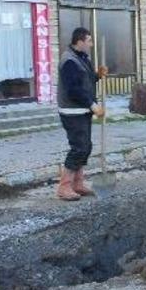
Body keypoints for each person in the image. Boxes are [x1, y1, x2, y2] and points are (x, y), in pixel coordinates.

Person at [56, 27, 106, 201]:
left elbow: (84, 80)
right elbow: (73, 90)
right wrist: (93, 105)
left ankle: (77, 183)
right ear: (80, 41)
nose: (91, 44)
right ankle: (64, 187)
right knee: (79, 148)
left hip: (82, 110)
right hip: (72, 111)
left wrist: (97, 76)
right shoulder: (69, 60)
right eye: (89, 41)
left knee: (86, 146)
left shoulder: (82, 58)